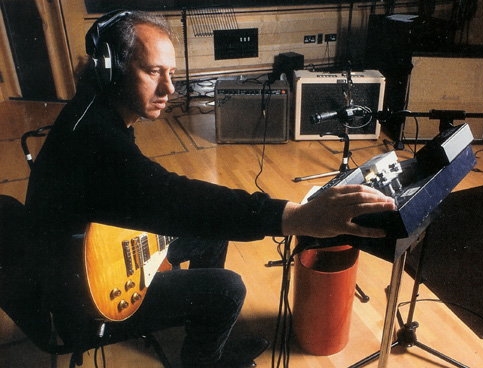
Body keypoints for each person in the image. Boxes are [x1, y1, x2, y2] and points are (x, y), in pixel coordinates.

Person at [24, 10, 396, 368]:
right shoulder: (99, 141)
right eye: (153, 71)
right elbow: (173, 197)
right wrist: (296, 216)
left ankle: (197, 323)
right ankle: (203, 359)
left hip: (83, 253)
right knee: (228, 289)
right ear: (112, 68)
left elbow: (154, 196)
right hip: (83, 301)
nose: (168, 88)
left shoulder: (91, 109)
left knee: (213, 236)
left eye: (170, 73)